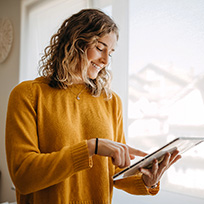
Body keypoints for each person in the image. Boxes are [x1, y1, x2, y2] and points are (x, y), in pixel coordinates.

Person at [6, 8, 181, 204]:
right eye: (100, 48)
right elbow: (23, 176)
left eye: (110, 53)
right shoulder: (28, 94)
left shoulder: (111, 101)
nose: (106, 61)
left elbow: (115, 171)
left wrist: (147, 181)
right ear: (75, 42)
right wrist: (90, 147)